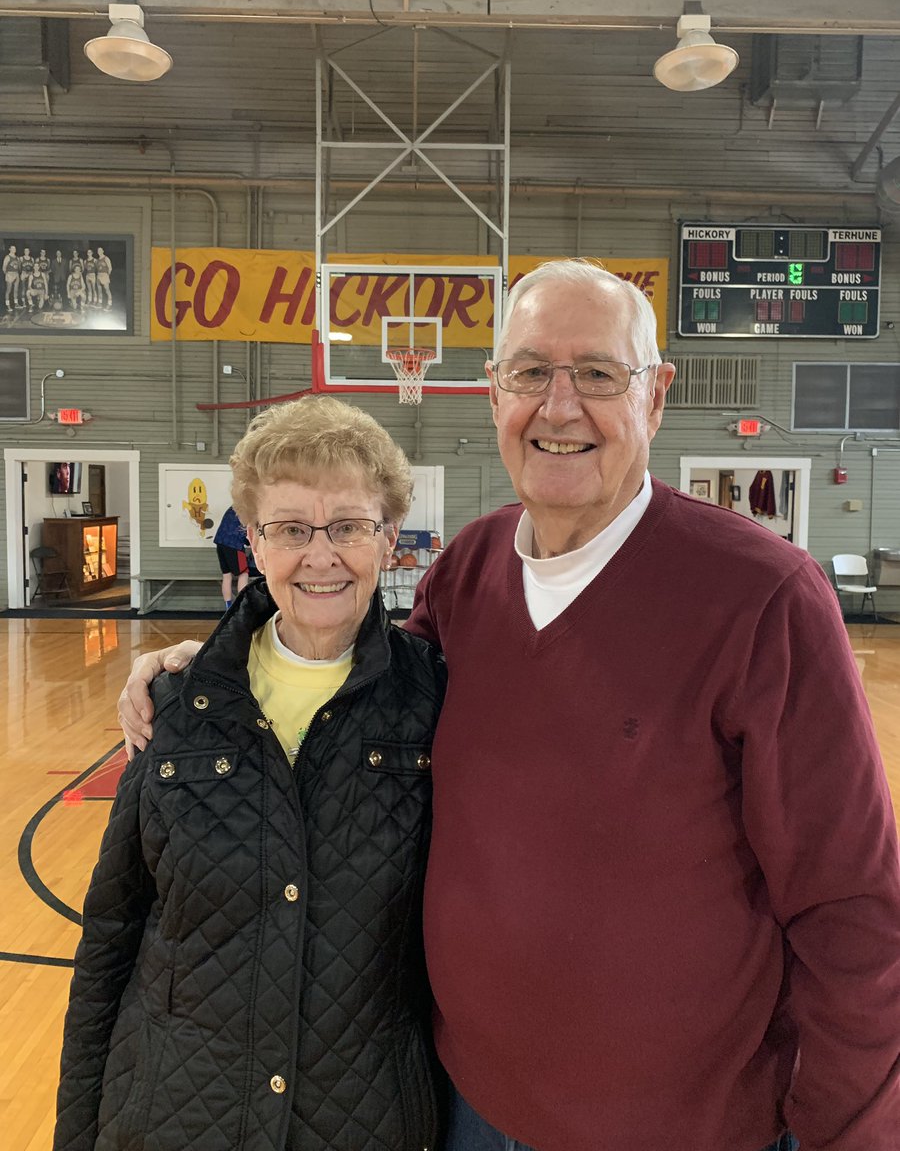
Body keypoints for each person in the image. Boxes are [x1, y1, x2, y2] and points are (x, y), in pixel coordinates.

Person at [118, 259, 900, 1151]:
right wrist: (221, 661)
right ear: (494, 394)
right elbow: (357, 681)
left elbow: (852, 907)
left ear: (655, 396)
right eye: (530, 372)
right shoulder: (469, 571)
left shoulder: (765, 597)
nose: (559, 406)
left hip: (676, 1126)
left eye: (598, 374)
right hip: (463, 1106)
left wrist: (853, 1133)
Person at [57, 395, 447, 1151]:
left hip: (363, 1120)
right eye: (292, 529)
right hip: (171, 1114)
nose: (321, 553)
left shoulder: (436, 702)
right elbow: (112, 934)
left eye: (349, 526)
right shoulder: (176, 704)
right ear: (256, 547)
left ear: (389, 538)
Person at [213, 503, 251, 608]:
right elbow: (248, 533)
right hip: (234, 544)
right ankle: (242, 606)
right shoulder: (250, 509)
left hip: (220, 542)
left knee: (226, 575)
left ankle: (228, 607)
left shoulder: (233, 507)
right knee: (243, 574)